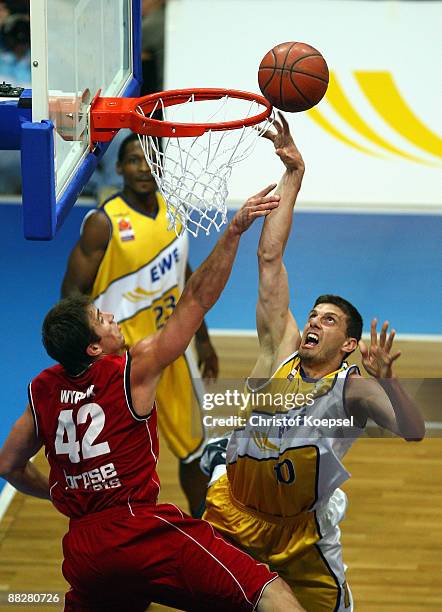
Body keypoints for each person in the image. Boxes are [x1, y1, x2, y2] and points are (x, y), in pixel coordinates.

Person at [0, 190, 306, 611]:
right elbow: (196, 299)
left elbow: (8, 464)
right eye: (101, 319)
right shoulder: (133, 368)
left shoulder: (43, 389)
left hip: (85, 549)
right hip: (140, 529)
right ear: (93, 348)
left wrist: (58, 494)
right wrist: (234, 231)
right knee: (269, 590)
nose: (110, 316)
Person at [201, 115, 426, 611]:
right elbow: (269, 259)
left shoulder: (353, 391)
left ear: (348, 345)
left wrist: (390, 384)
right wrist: (294, 177)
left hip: (299, 539)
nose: (314, 323)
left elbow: (413, 431)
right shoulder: (278, 354)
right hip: (233, 516)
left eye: (329, 321)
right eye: (313, 315)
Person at [61, 133, 218, 516]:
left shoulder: (174, 211)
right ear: (119, 167)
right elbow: (70, 295)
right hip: (120, 362)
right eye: (134, 160)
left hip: (170, 353)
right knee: (116, 460)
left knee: (195, 452)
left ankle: (203, 527)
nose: (144, 168)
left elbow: (186, 276)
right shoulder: (103, 223)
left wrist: (204, 339)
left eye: (150, 160)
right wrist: (83, 359)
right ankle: (112, 528)